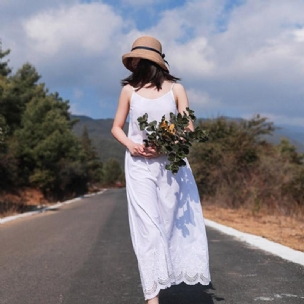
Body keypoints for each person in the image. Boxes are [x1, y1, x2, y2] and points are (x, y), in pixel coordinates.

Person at [111, 36, 210, 304]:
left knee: (170, 224)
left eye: (136, 60)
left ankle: (169, 274)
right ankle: (152, 298)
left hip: (172, 167)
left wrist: (166, 147)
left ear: (148, 62)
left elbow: (187, 128)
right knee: (149, 229)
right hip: (139, 166)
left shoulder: (176, 89)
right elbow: (116, 127)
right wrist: (131, 145)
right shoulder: (128, 91)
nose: (132, 64)